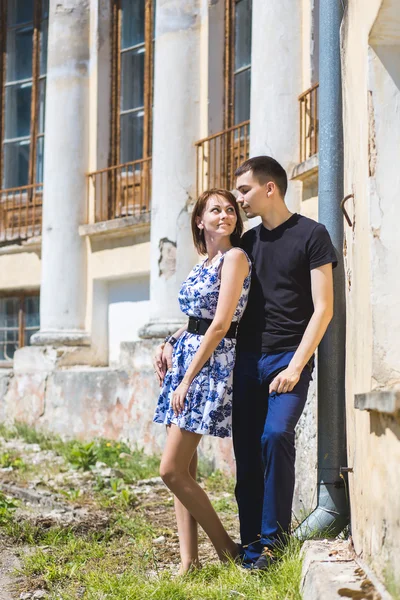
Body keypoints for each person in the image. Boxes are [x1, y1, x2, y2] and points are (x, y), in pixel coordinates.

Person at [233, 156, 337, 569]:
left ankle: (274, 543)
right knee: (246, 449)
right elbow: (218, 304)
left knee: (275, 436)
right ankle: (251, 543)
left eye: (244, 190)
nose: (240, 198)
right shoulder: (247, 245)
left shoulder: (313, 235)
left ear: (269, 188)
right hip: (247, 360)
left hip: (287, 359)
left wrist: (296, 365)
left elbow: (323, 308)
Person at [153, 188, 252, 574]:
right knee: (185, 471)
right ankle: (188, 561)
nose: (225, 215)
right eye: (215, 210)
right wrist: (169, 342)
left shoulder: (235, 258)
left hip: (207, 367)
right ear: (200, 220)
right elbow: (195, 320)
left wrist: (186, 380)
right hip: (185, 360)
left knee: (170, 469)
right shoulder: (203, 262)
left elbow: (221, 324)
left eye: (230, 210)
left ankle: (227, 548)